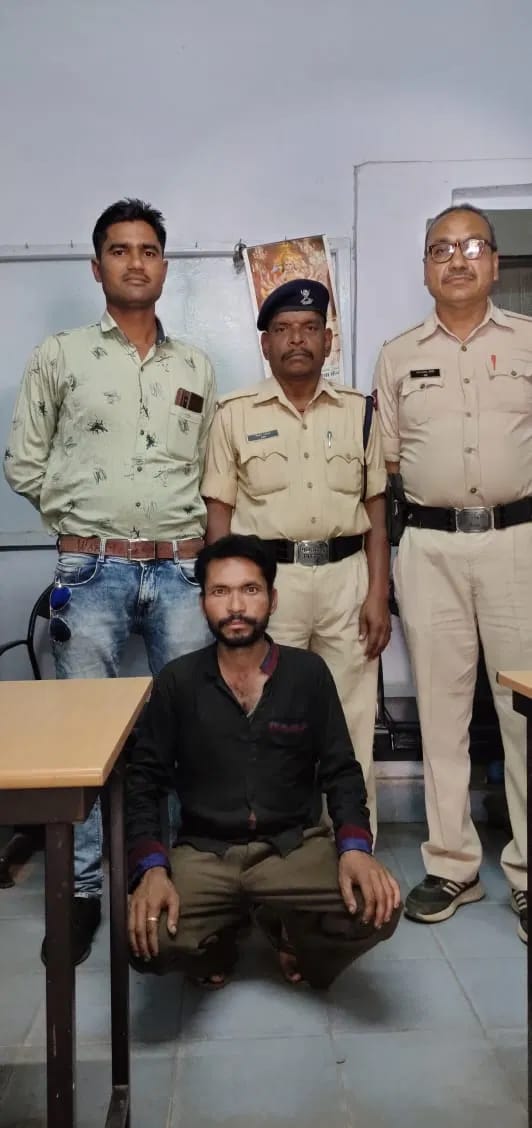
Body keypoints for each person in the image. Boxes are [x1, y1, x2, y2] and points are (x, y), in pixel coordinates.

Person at [4, 198, 216, 964]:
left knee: (190, 725)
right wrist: (76, 523)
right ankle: (86, 890)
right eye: (120, 250)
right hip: (89, 570)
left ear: (165, 265)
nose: (136, 262)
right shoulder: (59, 355)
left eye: (148, 250)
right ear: (97, 268)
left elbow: (209, 469)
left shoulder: (194, 367)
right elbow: (23, 461)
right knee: (84, 739)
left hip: (182, 570)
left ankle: (184, 880)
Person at [126, 534, 401, 989]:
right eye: (220, 591)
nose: (236, 605)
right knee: (145, 941)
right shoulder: (178, 682)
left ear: (272, 600)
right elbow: (145, 782)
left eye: (250, 590)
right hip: (206, 852)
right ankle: (221, 940)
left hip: (293, 847)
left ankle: (292, 935)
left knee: (380, 908)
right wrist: (151, 869)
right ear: (203, 603)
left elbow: (341, 770)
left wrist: (355, 849)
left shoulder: (307, 674)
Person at [374, 203, 532, 941]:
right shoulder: (397, 355)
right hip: (429, 547)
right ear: (425, 268)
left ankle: (529, 872)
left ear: (494, 263)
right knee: (440, 711)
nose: (457, 259)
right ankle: (453, 866)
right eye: (442, 248)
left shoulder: (529, 341)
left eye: (472, 247)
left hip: (518, 543)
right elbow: (388, 465)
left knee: (525, 711)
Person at [201, 279, 390, 836]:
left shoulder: (360, 412)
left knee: (352, 720)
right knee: (270, 717)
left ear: (328, 341)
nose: (297, 339)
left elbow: (377, 512)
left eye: (309, 328)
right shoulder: (234, 414)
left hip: (347, 580)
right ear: (266, 345)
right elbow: (219, 517)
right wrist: (226, 598)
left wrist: (379, 592)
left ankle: (354, 847)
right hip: (269, 586)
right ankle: (275, 847)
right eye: (283, 330)